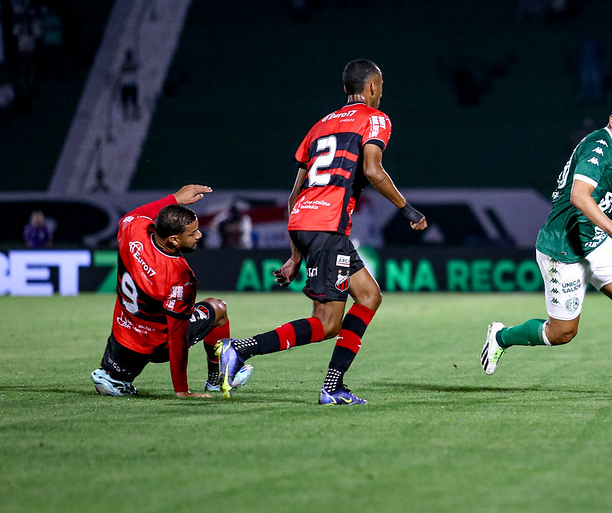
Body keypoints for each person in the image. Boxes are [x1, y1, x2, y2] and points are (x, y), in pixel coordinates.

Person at [216, 59, 427, 404]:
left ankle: (333, 386)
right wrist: (406, 208)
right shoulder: (375, 119)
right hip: (328, 226)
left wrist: (295, 254)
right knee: (328, 323)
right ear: (372, 87)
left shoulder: (320, 126)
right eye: (382, 86)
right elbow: (373, 170)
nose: (382, 92)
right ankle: (239, 350)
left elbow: (293, 196)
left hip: (305, 222)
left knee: (369, 296)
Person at [480, 94, 612, 396]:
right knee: (562, 333)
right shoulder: (599, 148)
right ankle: (501, 337)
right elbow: (579, 197)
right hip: (563, 248)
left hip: (593, 241)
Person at [91, 185, 253, 397]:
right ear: (174, 240)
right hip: (156, 346)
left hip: (122, 337)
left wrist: (174, 198)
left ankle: (113, 377)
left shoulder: (133, 232)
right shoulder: (179, 275)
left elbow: (133, 215)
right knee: (218, 308)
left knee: (114, 378)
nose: (199, 235)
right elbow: (177, 337)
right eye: (193, 233)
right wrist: (182, 391)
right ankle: (218, 379)